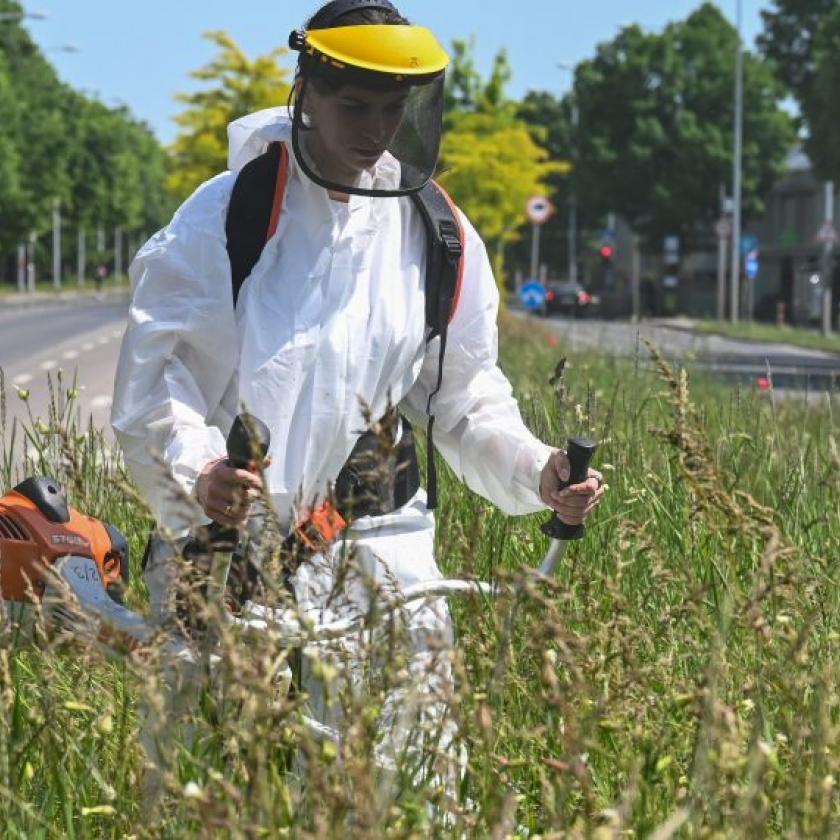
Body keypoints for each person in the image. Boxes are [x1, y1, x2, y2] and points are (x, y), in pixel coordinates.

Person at [111, 0, 605, 803]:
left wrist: (537, 467)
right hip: (228, 559)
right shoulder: (225, 219)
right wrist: (200, 473)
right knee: (200, 788)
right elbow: (156, 390)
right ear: (305, 89)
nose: (375, 130)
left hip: (380, 547)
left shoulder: (436, 231)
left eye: (392, 108)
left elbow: (464, 396)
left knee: (416, 787)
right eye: (354, 105)